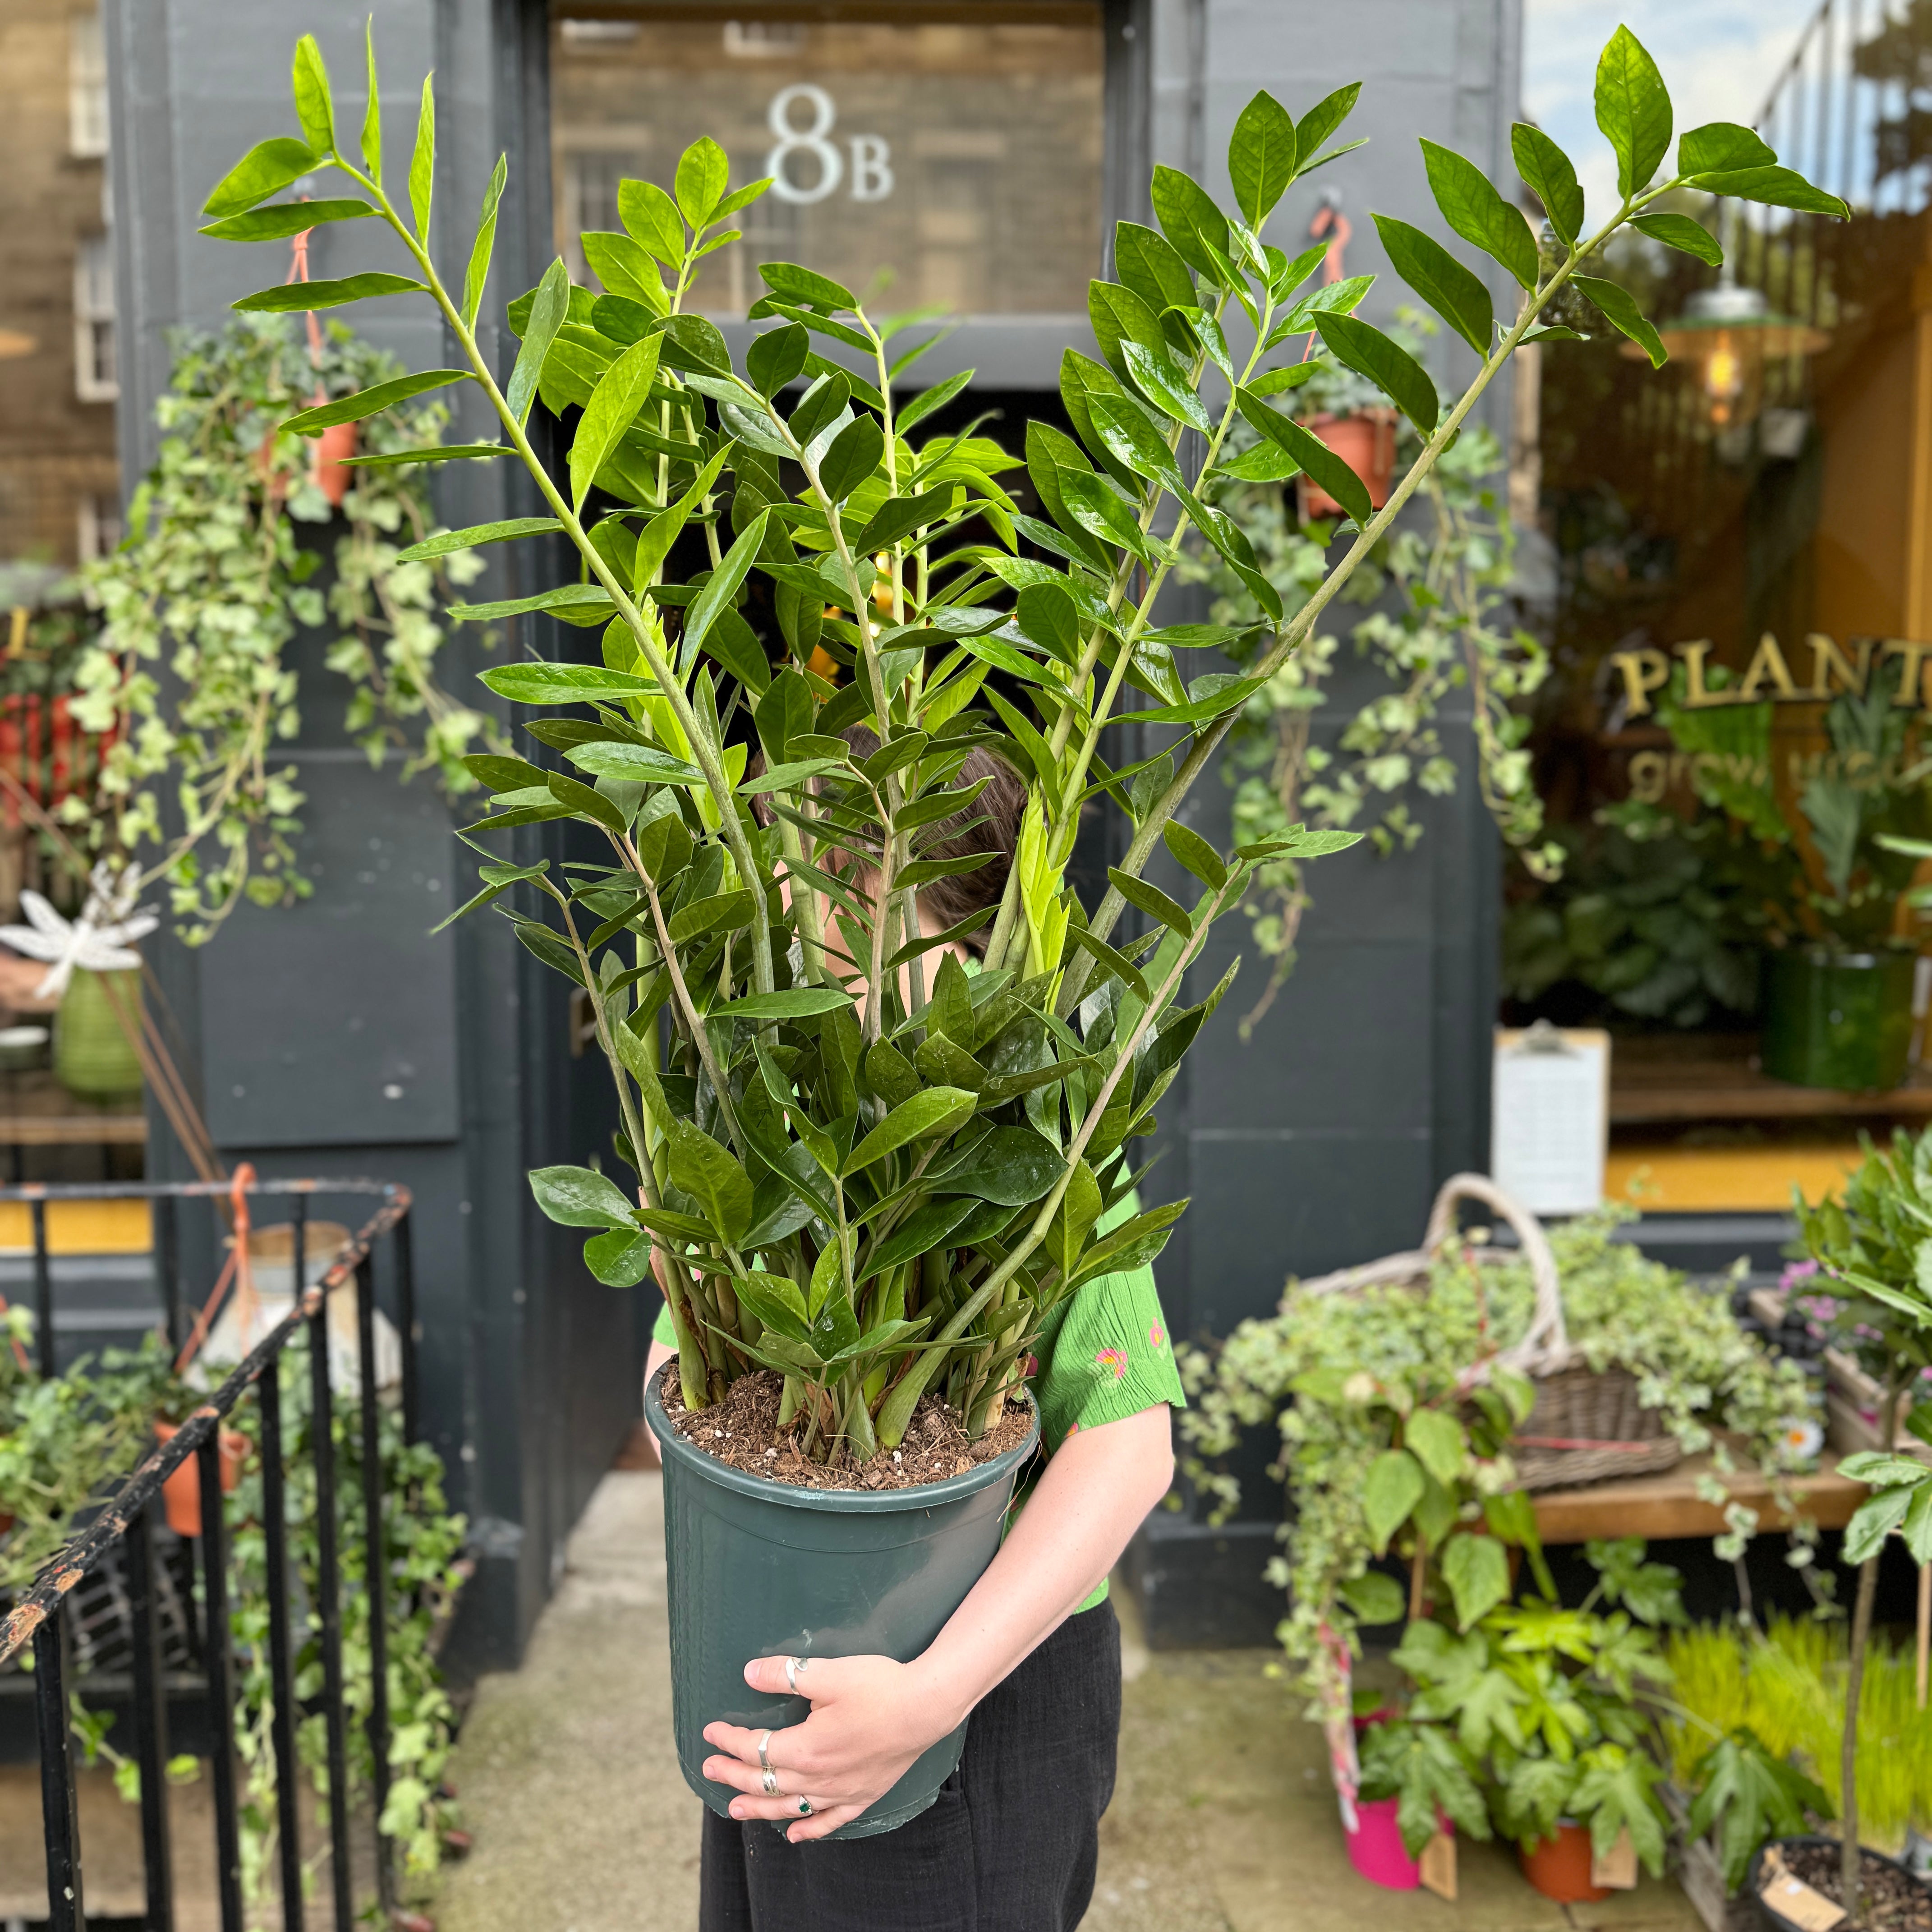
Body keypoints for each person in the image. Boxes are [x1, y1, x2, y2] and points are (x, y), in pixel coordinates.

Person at [635, 731, 1185, 1930]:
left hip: (977, 1701)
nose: (803, 954)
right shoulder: (773, 1109)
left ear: (975, 938)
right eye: (788, 912)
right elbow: (683, 1361)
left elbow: (1128, 1447)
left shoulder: (1039, 1139)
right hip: (774, 1683)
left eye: (843, 913)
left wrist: (927, 1696)